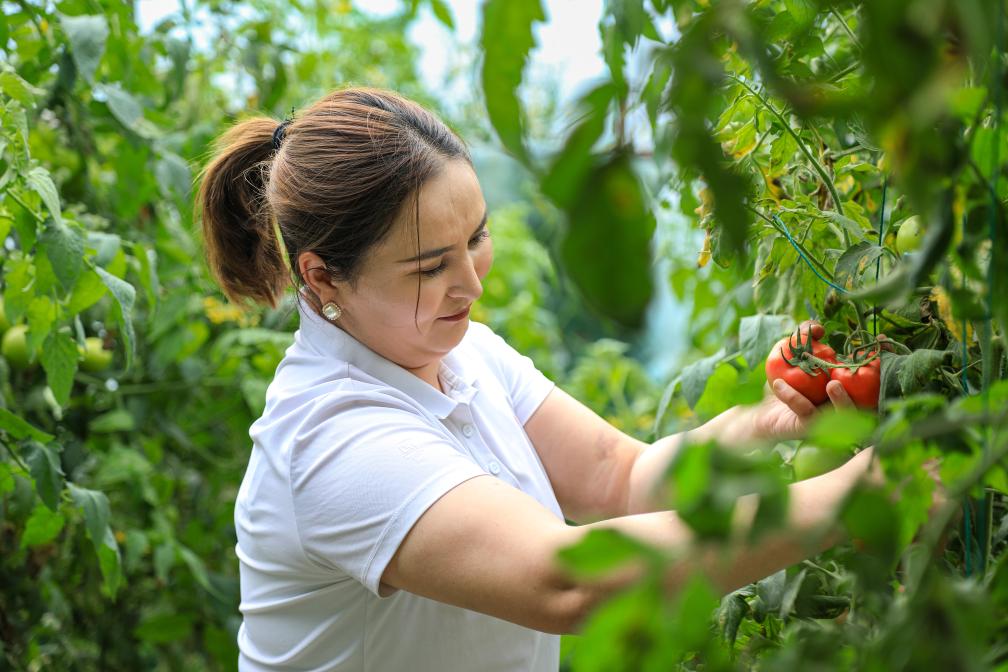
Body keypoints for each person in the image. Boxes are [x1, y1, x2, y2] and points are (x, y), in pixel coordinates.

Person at [197, 87, 877, 672]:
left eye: (476, 238)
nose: (471, 283)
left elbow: (619, 478)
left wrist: (761, 423)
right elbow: (568, 582)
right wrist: (860, 495)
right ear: (322, 276)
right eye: (430, 267)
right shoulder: (329, 438)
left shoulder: (463, 354)